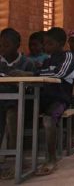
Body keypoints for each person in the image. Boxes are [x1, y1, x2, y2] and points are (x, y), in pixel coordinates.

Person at [35, 27, 74, 176]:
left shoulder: (68, 56)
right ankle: (16, 157)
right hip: (43, 97)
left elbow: (60, 73)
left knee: (48, 119)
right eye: (44, 43)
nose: (46, 47)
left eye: (50, 43)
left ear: (60, 43)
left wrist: (37, 73)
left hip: (60, 99)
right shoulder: (47, 60)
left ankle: (51, 159)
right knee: (15, 109)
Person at [0, 28, 36, 180]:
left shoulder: (27, 63)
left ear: (17, 45)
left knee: (12, 116)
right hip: (2, 101)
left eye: (6, 45)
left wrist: (21, 76)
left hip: (21, 104)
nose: (2, 49)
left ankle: (15, 161)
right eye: (0, 46)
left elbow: (34, 83)